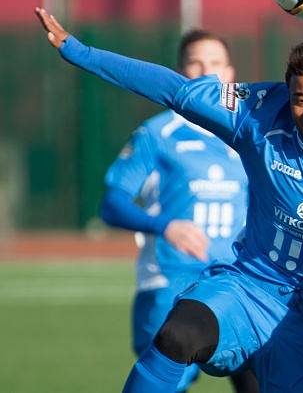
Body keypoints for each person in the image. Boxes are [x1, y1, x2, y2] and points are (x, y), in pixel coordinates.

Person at [34, 7, 303, 393]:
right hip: (247, 290)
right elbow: (173, 89)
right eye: (301, 99)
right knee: (177, 335)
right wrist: (79, 52)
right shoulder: (260, 113)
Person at [99, 29, 258, 392]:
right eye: (195, 63)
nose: (206, 71)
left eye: (215, 64)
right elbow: (111, 203)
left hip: (238, 285)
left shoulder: (249, 135)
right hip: (171, 283)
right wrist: (165, 224)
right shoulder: (158, 134)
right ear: (178, 72)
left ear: (230, 74)